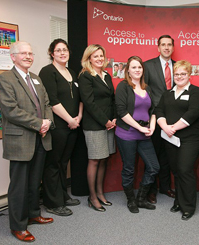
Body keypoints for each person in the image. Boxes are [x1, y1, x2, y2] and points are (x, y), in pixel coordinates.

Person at [0, 41, 54, 242]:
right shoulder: (5, 79)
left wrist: (47, 122)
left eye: (31, 53)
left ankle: (33, 214)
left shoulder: (36, 78)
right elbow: (10, 110)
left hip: (41, 137)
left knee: (34, 181)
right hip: (20, 140)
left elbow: (46, 103)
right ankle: (18, 226)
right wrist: (39, 123)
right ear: (13, 57)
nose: (28, 56)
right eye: (23, 53)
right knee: (19, 185)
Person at [155, 60, 199, 221]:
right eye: (177, 74)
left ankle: (188, 206)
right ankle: (179, 201)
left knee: (185, 170)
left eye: (183, 74)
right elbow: (159, 110)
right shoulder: (167, 94)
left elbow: (193, 113)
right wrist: (165, 127)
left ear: (189, 75)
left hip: (190, 139)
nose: (179, 77)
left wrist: (173, 127)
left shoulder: (196, 92)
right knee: (176, 171)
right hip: (170, 138)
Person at [39, 39, 83, 216]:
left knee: (64, 163)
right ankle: (52, 203)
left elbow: (79, 99)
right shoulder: (47, 72)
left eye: (65, 50)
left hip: (73, 124)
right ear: (52, 53)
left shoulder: (71, 72)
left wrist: (78, 117)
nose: (62, 53)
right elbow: (53, 101)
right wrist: (69, 120)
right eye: (58, 50)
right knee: (53, 164)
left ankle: (63, 196)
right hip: (58, 126)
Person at [115, 56, 160, 213]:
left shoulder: (147, 88)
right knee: (129, 169)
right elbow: (121, 112)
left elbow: (153, 110)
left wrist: (152, 126)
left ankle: (141, 198)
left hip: (145, 134)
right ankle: (130, 200)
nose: (137, 70)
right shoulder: (123, 87)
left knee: (154, 167)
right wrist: (139, 128)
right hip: (127, 134)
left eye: (139, 67)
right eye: (133, 67)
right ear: (128, 70)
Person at [78, 44, 116, 212]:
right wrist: (105, 121)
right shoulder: (86, 76)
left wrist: (113, 119)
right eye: (96, 56)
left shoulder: (106, 75)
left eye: (101, 56)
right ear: (89, 59)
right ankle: (92, 197)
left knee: (103, 159)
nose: (100, 59)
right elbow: (89, 103)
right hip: (95, 125)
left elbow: (111, 99)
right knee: (94, 160)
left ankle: (100, 193)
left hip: (109, 124)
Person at [144, 34, 176, 204]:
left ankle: (165, 187)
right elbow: (145, 91)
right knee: (153, 154)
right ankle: (151, 190)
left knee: (167, 155)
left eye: (169, 45)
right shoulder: (148, 66)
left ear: (172, 47)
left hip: (173, 119)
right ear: (158, 47)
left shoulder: (178, 66)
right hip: (154, 118)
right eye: (163, 45)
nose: (166, 47)